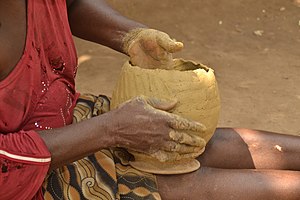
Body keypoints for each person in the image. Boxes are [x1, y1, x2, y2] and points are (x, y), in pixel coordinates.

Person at [0, 1, 299, 200]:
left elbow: (71, 3)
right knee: (173, 184)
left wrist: (129, 35)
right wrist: (110, 130)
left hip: (63, 118)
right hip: (21, 176)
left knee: (189, 142)